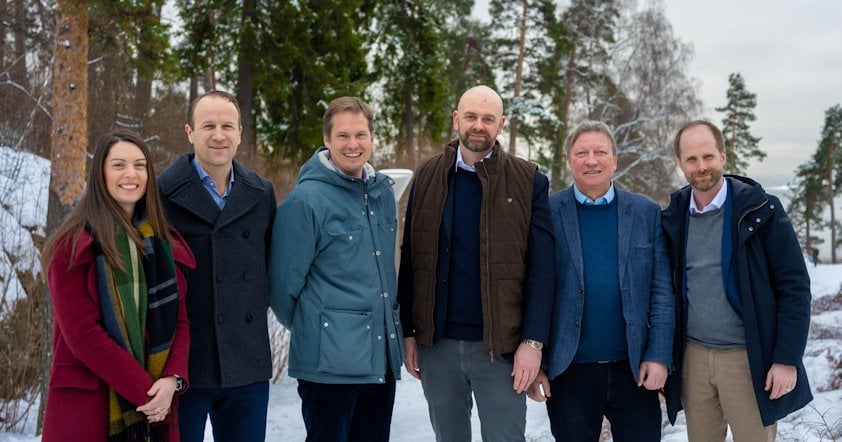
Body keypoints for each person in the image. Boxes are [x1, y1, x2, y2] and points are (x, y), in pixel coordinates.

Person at [397, 85, 555, 442]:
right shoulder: (427, 175)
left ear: (500, 124)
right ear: (456, 120)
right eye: (470, 116)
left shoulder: (529, 181)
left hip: (500, 348)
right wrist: (409, 330)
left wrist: (533, 343)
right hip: (438, 347)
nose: (478, 126)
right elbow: (411, 258)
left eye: (487, 119)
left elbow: (543, 272)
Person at [41, 129, 195, 441]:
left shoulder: (162, 243)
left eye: (140, 165)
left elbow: (181, 322)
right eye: (119, 165)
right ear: (100, 173)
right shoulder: (73, 246)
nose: (131, 174)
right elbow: (84, 335)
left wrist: (172, 380)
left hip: (158, 408)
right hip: (92, 408)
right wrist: (148, 393)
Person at [663, 120, 812, 441]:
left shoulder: (762, 210)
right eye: (691, 159)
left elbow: (795, 288)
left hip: (747, 359)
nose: (701, 166)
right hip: (694, 360)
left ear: (723, 156)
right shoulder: (673, 216)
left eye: (708, 156)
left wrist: (786, 359)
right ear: (680, 164)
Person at [527, 120, 674, 441]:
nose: (591, 160)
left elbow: (662, 292)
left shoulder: (646, 213)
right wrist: (534, 360)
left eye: (599, 152)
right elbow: (528, 290)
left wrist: (659, 355)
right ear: (569, 160)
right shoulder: (546, 214)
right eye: (581, 152)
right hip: (569, 370)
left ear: (615, 160)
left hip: (633, 368)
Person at [268, 96, 402, 441]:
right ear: (327, 140)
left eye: (360, 135)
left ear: (372, 138)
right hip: (328, 368)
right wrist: (323, 329)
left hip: (379, 361)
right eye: (342, 136)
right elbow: (283, 289)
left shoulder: (382, 194)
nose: (353, 144)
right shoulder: (304, 202)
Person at [158, 90, 276, 441]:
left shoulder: (261, 193)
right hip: (184, 367)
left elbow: (269, 266)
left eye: (227, 125)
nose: (218, 134)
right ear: (190, 132)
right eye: (208, 125)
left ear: (241, 132)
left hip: (247, 363)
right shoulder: (161, 194)